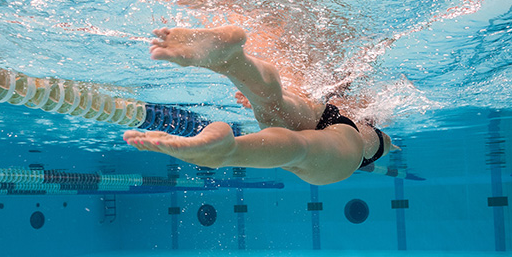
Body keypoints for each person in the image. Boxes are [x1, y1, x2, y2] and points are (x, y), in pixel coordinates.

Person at [123, 25, 394, 185]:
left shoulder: (337, 98)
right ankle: (228, 152)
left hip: (321, 111)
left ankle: (233, 61)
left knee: (272, 103)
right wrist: (388, 142)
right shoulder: (379, 136)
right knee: (300, 149)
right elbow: (388, 142)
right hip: (348, 142)